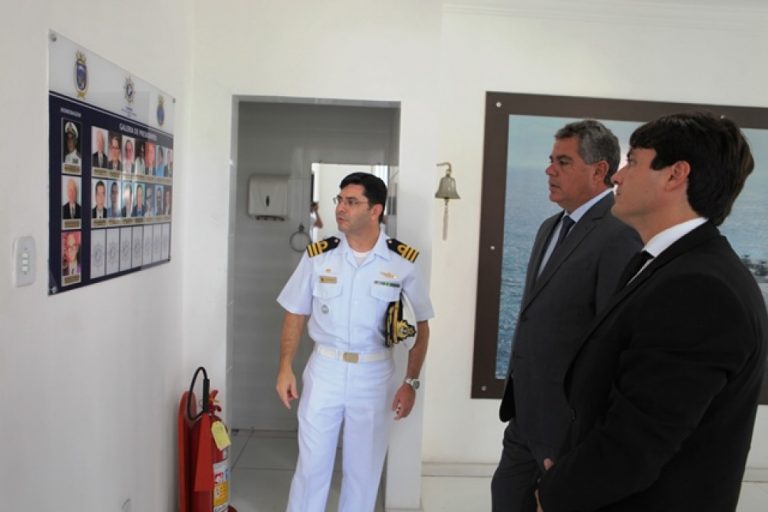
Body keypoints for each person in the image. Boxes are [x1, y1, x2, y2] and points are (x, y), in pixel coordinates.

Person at [537, 112, 768, 511]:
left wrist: (556, 493)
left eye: (633, 161)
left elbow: (635, 444)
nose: (617, 177)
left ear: (675, 175)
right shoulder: (672, 267)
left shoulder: (698, 289)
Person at [491, 120, 642, 511]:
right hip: (526, 416)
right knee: (506, 497)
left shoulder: (619, 232)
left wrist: (586, 438)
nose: (549, 170)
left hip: (568, 428)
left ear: (599, 170)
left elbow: (613, 341)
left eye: (563, 162)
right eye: (550, 160)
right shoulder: (550, 227)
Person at [276, 172, 434, 512]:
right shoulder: (319, 255)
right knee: (311, 468)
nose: (340, 208)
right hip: (325, 369)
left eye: (351, 202)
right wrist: (285, 366)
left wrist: (411, 382)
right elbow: (295, 312)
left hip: (374, 375)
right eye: (340, 200)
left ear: (375, 210)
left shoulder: (402, 261)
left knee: (363, 473)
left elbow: (422, 325)